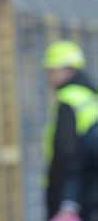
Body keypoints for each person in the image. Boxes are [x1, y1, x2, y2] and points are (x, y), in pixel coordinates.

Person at [43, 41, 98, 221]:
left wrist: (67, 201)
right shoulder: (90, 95)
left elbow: (66, 152)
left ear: (67, 70)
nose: (49, 76)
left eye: (52, 71)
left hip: (70, 191)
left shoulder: (68, 99)